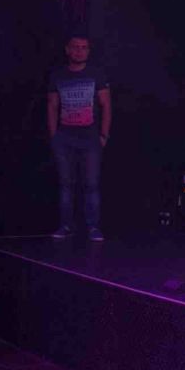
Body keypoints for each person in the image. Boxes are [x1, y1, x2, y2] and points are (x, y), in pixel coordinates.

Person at [48, 34, 111, 241]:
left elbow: (106, 105)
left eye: (84, 47)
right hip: (65, 138)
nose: (79, 51)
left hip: (90, 138)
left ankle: (93, 227)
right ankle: (66, 226)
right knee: (66, 185)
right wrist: (54, 135)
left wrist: (103, 134)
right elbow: (52, 105)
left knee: (91, 184)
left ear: (88, 51)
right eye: (76, 47)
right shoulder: (58, 75)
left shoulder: (96, 74)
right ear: (67, 49)